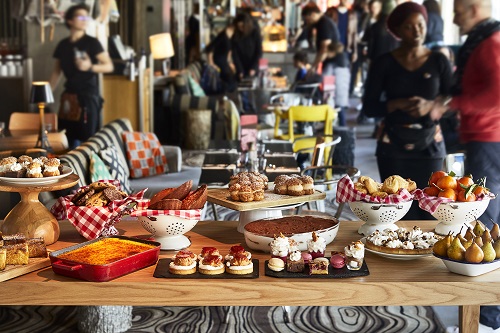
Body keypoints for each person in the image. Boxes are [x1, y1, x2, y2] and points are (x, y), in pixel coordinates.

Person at [361, 2, 452, 219]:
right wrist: (395, 104)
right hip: (392, 145)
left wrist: (431, 106)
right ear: (398, 31)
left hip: (430, 145)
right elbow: (369, 107)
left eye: (420, 24)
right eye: (409, 27)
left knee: (432, 208)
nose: (417, 31)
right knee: (396, 210)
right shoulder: (384, 63)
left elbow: (452, 101)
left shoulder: (439, 60)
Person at [49, 4, 113, 149]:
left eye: (87, 17)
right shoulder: (63, 45)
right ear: (70, 21)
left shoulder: (92, 42)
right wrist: (45, 96)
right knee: (66, 138)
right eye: (81, 16)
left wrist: (89, 67)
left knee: (88, 140)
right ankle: (70, 169)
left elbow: (108, 66)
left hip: (88, 98)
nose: (85, 20)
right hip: (68, 98)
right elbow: (56, 73)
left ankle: (86, 170)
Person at [232, 12, 263, 112]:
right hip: (241, 68)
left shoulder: (255, 33)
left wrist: (253, 68)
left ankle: (253, 119)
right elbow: (235, 55)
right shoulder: (236, 36)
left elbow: (259, 52)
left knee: (252, 95)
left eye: (242, 26)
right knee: (243, 96)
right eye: (239, 26)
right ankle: (246, 120)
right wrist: (240, 70)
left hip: (253, 67)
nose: (241, 28)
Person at [326, 0, 358, 95]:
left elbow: (354, 33)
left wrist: (355, 51)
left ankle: (342, 99)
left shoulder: (352, 14)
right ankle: (328, 97)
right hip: (332, 48)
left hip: (346, 48)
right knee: (329, 74)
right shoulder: (331, 12)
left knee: (343, 76)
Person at [301, 2, 340, 76]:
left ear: (313, 14)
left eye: (308, 20)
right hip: (332, 63)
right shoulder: (322, 22)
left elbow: (324, 48)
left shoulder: (324, 24)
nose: (308, 22)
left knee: (328, 86)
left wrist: (313, 66)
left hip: (334, 65)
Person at [205, 20, 237, 93]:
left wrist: (230, 63)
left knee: (233, 81)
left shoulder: (232, 35)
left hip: (224, 62)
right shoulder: (223, 35)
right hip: (218, 62)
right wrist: (211, 63)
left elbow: (228, 52)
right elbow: (210, 48)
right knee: (230, 82)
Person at [324, 43, 350, 126]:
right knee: (341, 110)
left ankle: (342, 132)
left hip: (336, 91)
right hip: (343, 89)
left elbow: (325, 75)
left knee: (338, 111)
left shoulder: (332, 64)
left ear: (332, 52)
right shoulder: (344, 61)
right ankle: (343, 130)